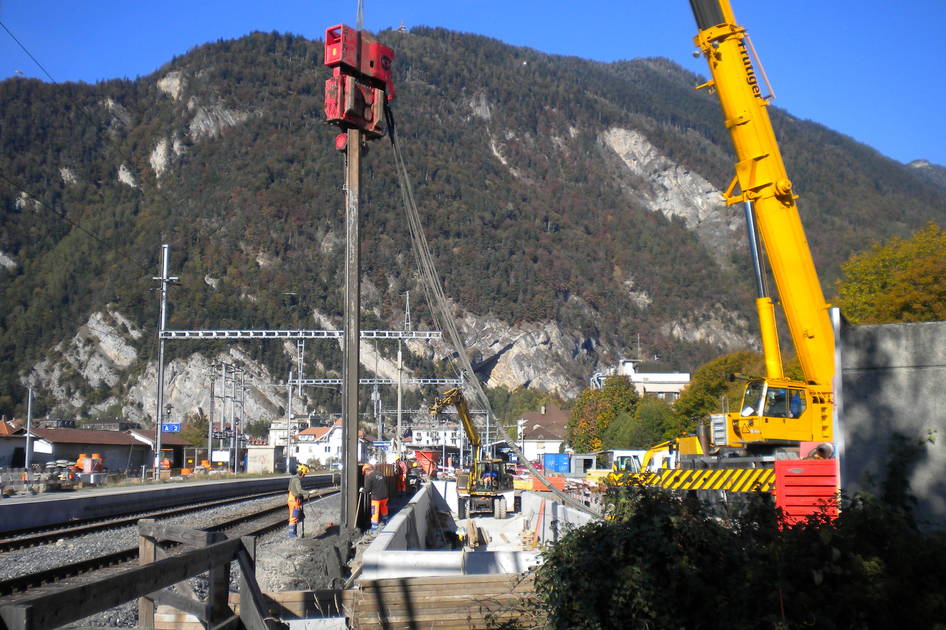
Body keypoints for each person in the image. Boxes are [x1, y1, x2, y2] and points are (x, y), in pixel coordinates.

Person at [363, 463, 389, 531]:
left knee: (375, 512)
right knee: (384, 508)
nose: (365, 474)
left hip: (376, 498)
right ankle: (385, 521)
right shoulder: (380, 473)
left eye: (365, 472)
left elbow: (367, 490)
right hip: (385, 496)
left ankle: (374, 527)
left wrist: (362, 490)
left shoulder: (369, 477)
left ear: (366, 470)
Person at [288, 463, 309, 537]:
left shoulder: (293, 478)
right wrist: (308, 492)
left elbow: (290, 489)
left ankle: (293, 534)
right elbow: (299, 490)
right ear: (301, 472)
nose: (304, 475)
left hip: (291, 499)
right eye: (304, 474)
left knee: (294, 517)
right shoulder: (297, 480)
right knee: (294, 518)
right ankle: (292, 535)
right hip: (294, 501)